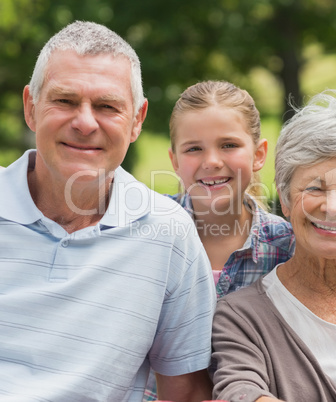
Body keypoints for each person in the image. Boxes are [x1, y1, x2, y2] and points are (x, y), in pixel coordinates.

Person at [0, 21, 216, 402]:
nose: (84, 122)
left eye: (106, 106)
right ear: (31, 108)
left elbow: (185, 392)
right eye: (65, 101)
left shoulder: (168, 235)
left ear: (137, 120)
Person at [211, 89, 336, 401]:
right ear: (285, 201)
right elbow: (239, 391)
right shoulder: (241, 318)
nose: (332, 207)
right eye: (315, 188)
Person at [143, 80, 295, 401]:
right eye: (194, 148)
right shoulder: (146, 232)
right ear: (174, 161)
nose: (211, 161)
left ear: (259, 154)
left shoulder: (288, 247)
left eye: (228, 145)